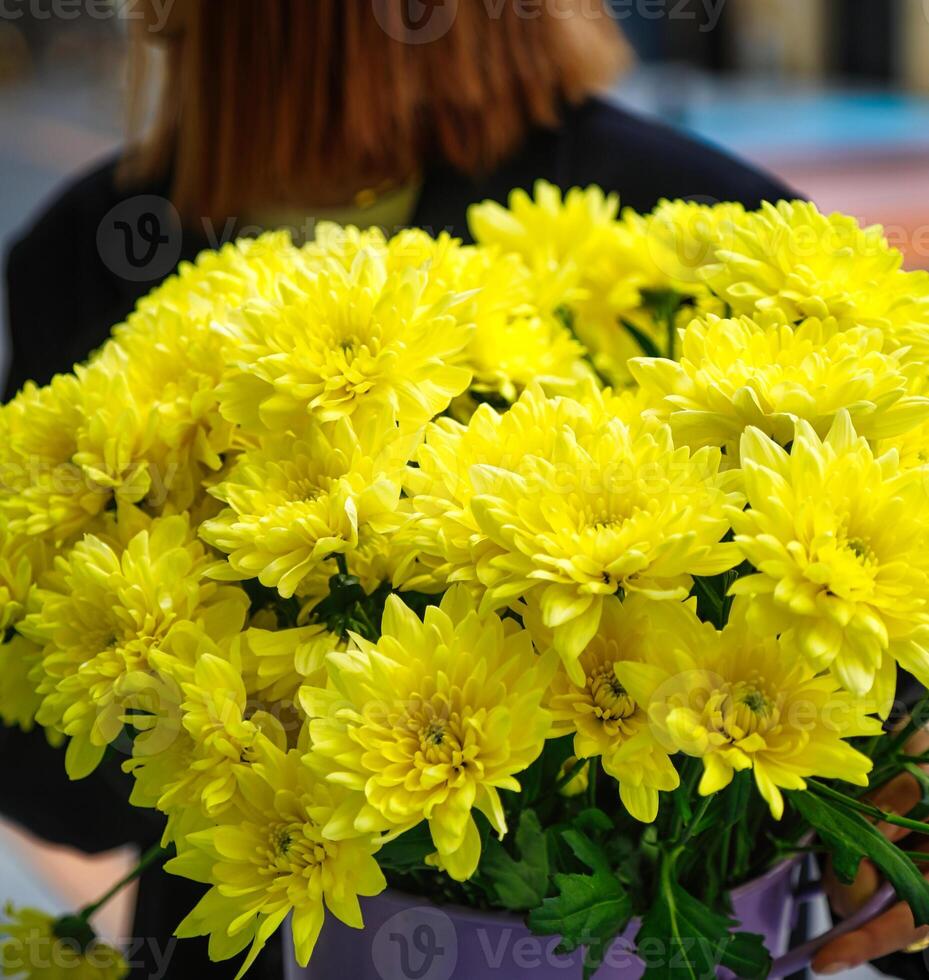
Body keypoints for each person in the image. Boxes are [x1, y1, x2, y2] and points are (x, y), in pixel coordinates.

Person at [2, 2, 914, 978]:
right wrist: (198, 690)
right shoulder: (88, 249)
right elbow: (60, 779)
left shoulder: (684, 223)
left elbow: (886, 715)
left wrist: (905, 814)